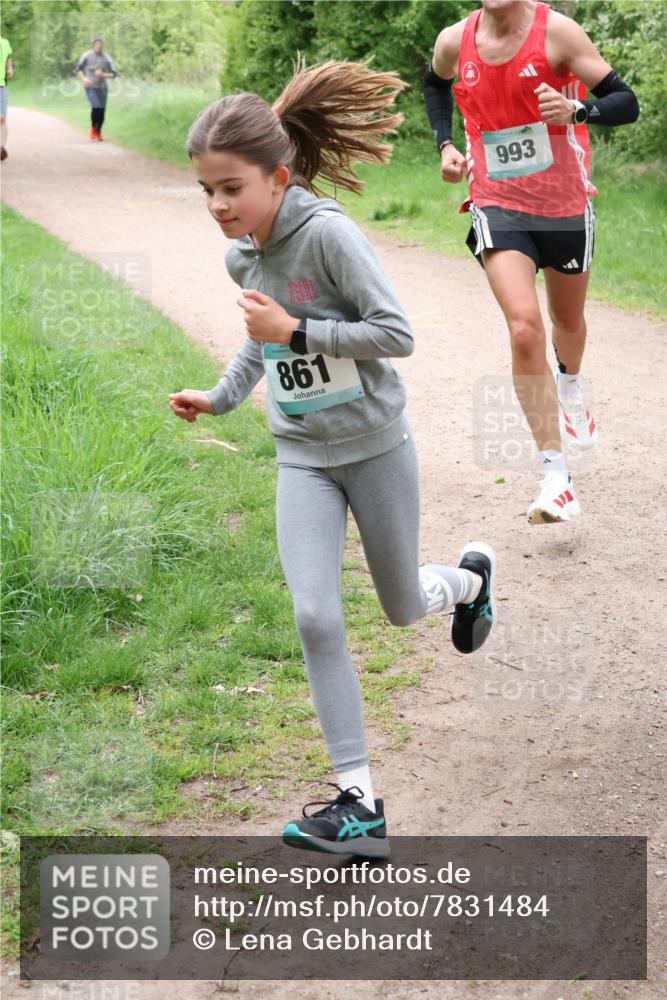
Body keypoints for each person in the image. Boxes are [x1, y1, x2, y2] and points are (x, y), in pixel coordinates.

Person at [168, 56, 498, 858]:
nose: (217, 205)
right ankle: (359, 805)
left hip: (375, 447)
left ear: (277, 177)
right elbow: (261, 337)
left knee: (397, 608)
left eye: (230, 188)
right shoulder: (241, 254)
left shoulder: (330, 236)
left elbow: (396, 335)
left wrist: (299, 333)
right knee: (315, 615)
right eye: (206, 189)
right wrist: (221, 394)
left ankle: (466, 581)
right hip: (301, 458)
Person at [423, 0, 639, 523]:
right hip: (496, 203)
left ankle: (570, 386)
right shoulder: (455, 39)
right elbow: (435, 85)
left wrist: (578, 110)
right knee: (524, 328)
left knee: (567, 322)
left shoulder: (557, 34)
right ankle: (556, 477)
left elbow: (625, 101)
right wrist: (446, 145)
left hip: (564, 206)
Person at [74, 36, 118, 141]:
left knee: (102, 110)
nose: (99, 45)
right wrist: (84, 79)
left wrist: (103, 74)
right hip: (90, 86)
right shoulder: (86, 55)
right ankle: (93, 128)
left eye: (101, 44)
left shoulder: (106, 57)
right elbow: (77, 69)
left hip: (102, 87)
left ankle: (98, 131)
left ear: (102, 46)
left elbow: (114, 74)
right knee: (96, 106)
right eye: (97, 44)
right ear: (93, 45)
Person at [0, 35, 13, 161]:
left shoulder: (4, 42)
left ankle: (1, 148)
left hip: (1, 85)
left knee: (2, 119)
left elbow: (8, 56)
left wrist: (10, 68)